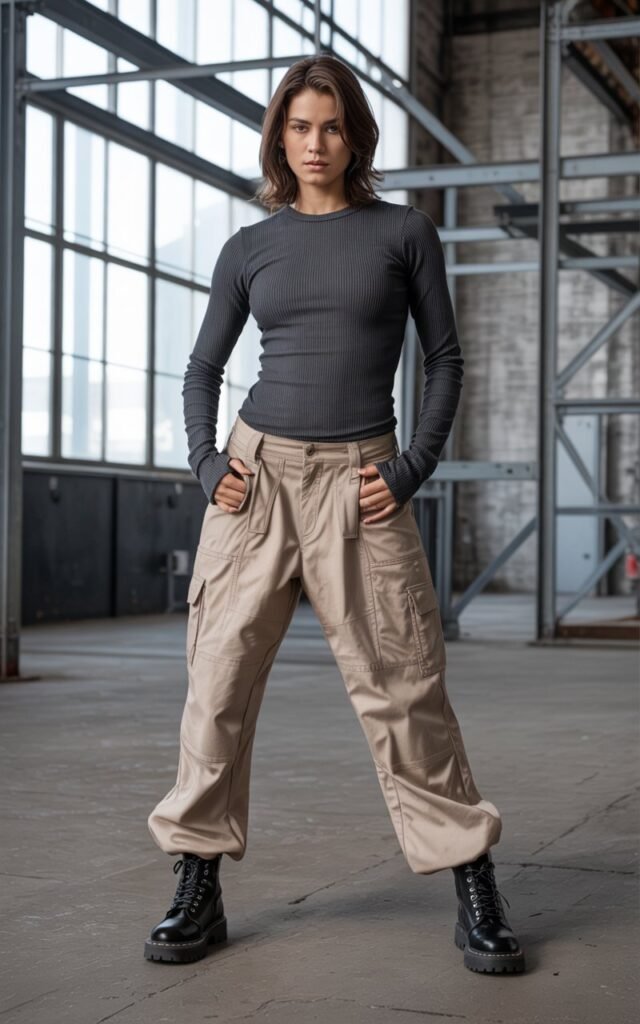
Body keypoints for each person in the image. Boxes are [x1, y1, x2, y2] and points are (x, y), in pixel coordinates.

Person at [144, 54, 525, 974]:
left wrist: (410, 469)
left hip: (363, 483)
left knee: (406, 689)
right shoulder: (250, 247)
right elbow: (201, 370)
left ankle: (471, 876)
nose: (315, 143)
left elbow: (445, 361)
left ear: (355, 135)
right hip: (257, 478)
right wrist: (207, 465)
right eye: (299, 127)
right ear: (281, 136)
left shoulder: (404, 232)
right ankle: (197, 881)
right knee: (218, 685)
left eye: (332, 126)